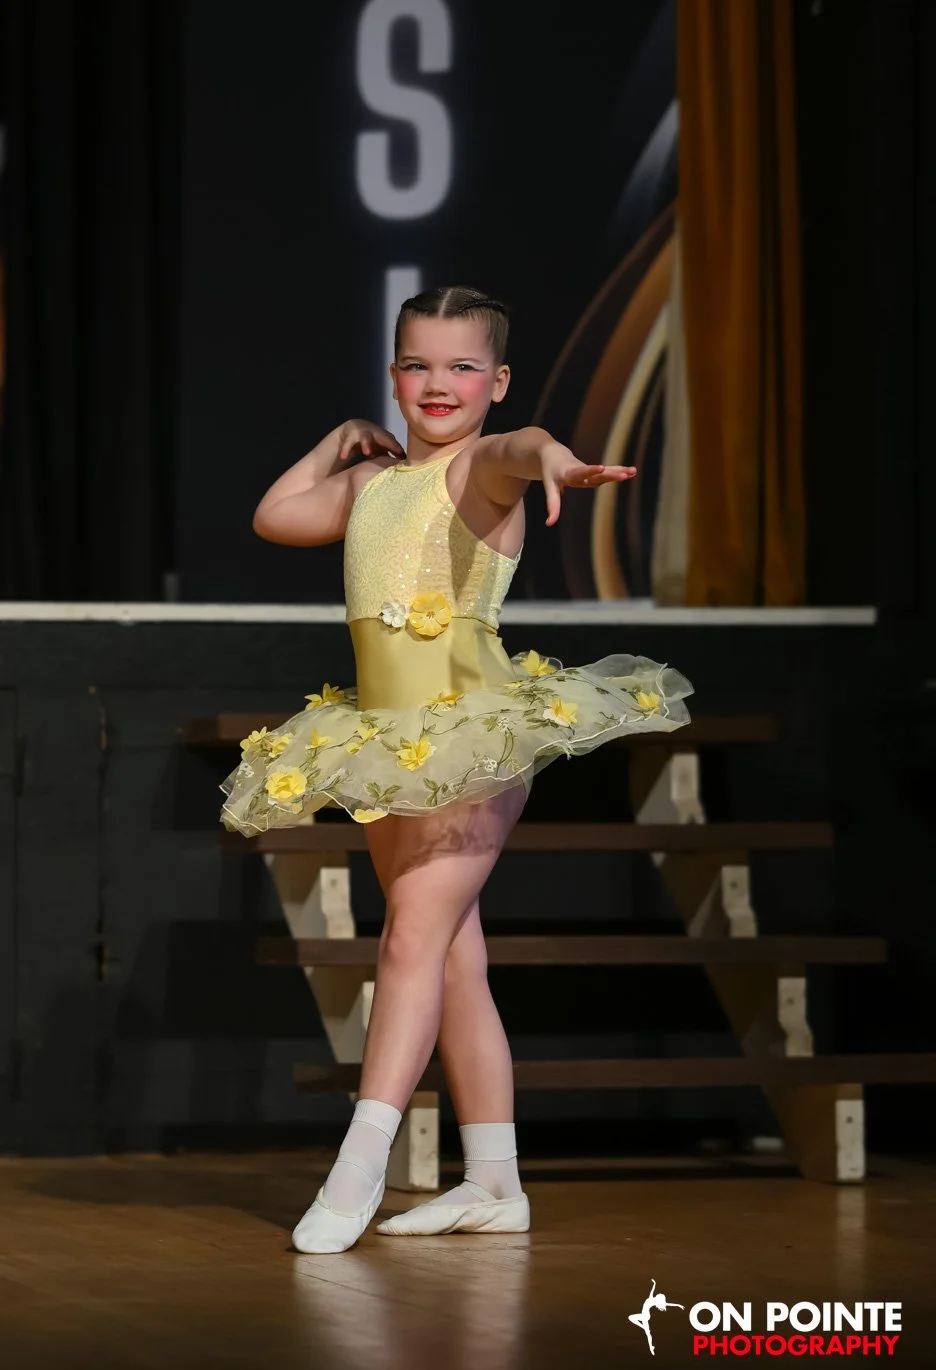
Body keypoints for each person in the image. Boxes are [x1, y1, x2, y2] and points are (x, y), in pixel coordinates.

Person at [221, 286, 692, 1253]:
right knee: (455, 962)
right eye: (416, 365)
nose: (438, 384)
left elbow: (523, 450)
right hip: (387, 746)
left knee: (406, 946)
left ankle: (359, 1166)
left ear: (499, 381)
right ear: (393, 373)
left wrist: (552, 454)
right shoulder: (370, 484)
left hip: (471, 742)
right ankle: (494, 1182)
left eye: (462, 366)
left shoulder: (484, 464)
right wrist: (339, 438)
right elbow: (274, 517)